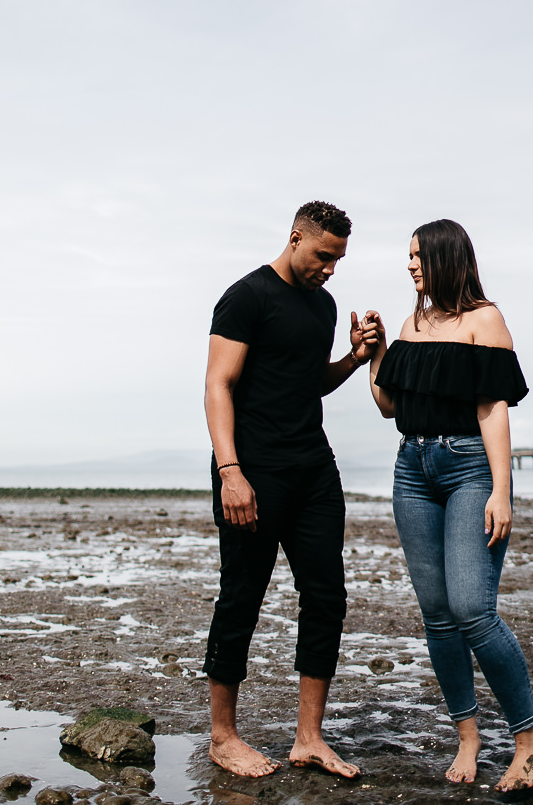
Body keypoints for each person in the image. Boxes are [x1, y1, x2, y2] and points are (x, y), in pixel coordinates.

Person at [367, 219, 533, 793]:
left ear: (446, 258)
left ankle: (528, 740)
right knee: (438, 616)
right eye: (409, 256)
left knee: (473, 609)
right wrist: (374, 356)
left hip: (469, 466)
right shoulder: (410, 324)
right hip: (411, 470)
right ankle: (468, 736)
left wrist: (501, 488)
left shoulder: (484, 320)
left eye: (419, 255)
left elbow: (493, 408)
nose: (410, 264)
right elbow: (388, 406)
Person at [203, 200, 378, 779]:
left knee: (327, 598)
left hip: (313, 469)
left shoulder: (324, 305)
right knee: (242, 596)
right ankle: (223, 737)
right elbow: (219, 384)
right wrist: (231, 471)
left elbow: (309, 384)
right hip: (252, 470)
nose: (330, 269)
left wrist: (354, 359)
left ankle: (309, 738)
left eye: (338, 260)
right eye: (324, 255)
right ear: (296, 237)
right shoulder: (246, 296)